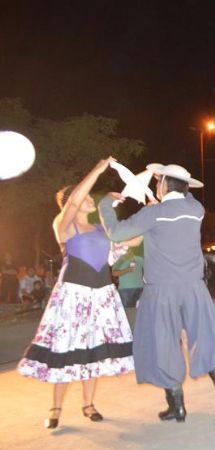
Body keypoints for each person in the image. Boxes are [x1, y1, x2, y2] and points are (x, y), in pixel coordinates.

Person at [99, 163, 215, 423]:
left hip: (161, 291)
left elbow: (116, 233)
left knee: (163, 345)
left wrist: (106, 204)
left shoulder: (154, 214)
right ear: (184, 187)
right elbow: (185, 196)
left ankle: (177, 407)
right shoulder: (196, 210)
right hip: (194, 287)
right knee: (202, 333)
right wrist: (167, 181)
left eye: (158, 183)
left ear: (162, 185)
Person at [17, 157, 135, 429]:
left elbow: (123, 243)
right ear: (75, 200)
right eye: (85, 195)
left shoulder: (99, 229)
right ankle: (55, 408)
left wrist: (151, 218)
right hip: (74, 296)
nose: (90, 198)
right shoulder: (64, 225)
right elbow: (72, 202)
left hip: (101, 296)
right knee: (65, 350)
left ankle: (88, 404)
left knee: (91, 352)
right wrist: (97, 169)